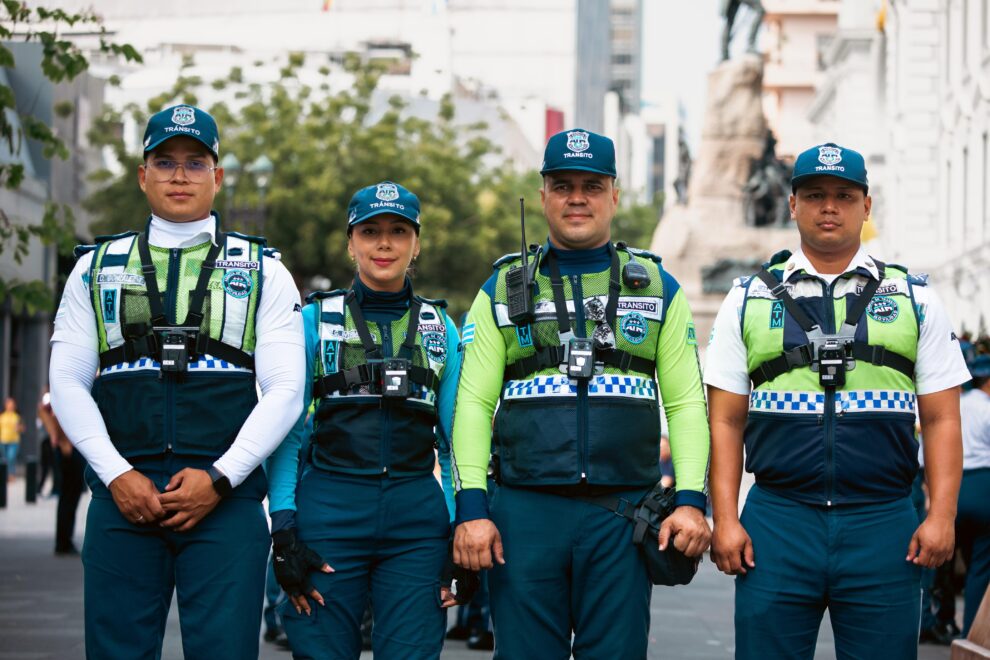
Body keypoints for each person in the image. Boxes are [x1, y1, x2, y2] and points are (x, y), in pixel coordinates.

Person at [48, 104, 304, 659]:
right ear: (143, 175)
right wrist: (116, 474)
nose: (180, 175)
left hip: (226, 502)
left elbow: (287, 389)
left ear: (218, 175)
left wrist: (220, 478)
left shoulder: (263, 269)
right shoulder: (96, 267)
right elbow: (67, 379)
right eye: (165, 161)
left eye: (195, 161)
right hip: (122, 497)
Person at [451, 128, 711, 657]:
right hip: (524, 517)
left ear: (614, 195)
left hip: (622, 519)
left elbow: (686, 403)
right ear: (542, 194)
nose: (577, 197)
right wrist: (471, 509)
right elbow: (473, 405)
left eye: (591, 186)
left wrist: (690, 501)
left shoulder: (658, 288)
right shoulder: (501, 288)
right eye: (562, 184)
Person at [706, 142, 969, 659]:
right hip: (779, 523)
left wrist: (942, 515)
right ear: (793, 205)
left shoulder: (914, 298)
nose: (830, 207)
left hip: (884, 524)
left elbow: (941, 418)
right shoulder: (748, 298)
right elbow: (726, 420)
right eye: (815, 195)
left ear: (866, 206)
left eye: (844, 196)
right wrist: (727, 519)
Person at [266, 180, 463, 658]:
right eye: (370, 231)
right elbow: (287, 434)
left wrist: (459, 527)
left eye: (399, 231)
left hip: (416, 522)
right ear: (349, 240)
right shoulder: (313, 320)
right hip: (329, 511)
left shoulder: (443, 327)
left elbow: (455, 442)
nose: (384, 243)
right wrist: (284, 526)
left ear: (416, 244)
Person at [957, 354, 990, 635]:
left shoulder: (957, 404)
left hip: (952, 485)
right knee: (980, 566)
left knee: (942, 567)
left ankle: (934, 620)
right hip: (982, 486)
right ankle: (971, 632)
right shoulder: (988, 409)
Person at [37, 390, 86, 555]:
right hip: (70, 448)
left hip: (70, 446)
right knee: (70, 494)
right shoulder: (69, 388)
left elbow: (43, 409)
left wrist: (54, 436)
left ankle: (64, 540)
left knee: (69, 494)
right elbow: (52, 412)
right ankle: (64, 542)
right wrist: (62, 440)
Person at [0, 397, 24, 480]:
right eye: (8, 404)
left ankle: (11, 474)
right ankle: (5, 475)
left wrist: (19, 428)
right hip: (3, 441)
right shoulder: (2, 416)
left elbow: (23, 428)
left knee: (11, 457)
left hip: (14, 441)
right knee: (5, 459)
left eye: (12, 404)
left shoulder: (17, 416)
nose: (10, 406)